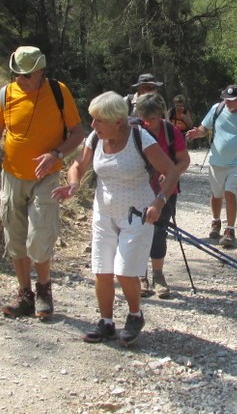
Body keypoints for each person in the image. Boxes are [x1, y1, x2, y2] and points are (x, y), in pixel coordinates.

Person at [53, 92, 182, 346]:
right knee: (102, 270)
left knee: (125, 272)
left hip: (138, 214)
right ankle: (106, 322)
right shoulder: (95, 138)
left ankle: (135, 315)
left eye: (98, 120)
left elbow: (171, 171)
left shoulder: (140, 139)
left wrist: (159, 202)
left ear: (118, 122)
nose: (92, 126)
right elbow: (78, 165)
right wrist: (73, 184)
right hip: (104, 213)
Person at [0, 46, 85, 320]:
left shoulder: (59, 92)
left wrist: (56, 154)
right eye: (16, 74)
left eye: (26, 75)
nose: (20, 80)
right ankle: (25, 294)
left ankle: (44, 289)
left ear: (40, 71)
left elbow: (77, 133)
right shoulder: (6, 93)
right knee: (15, 237)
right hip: (12, 175)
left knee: (40, 235)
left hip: (45, 177)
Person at [185, 84, 237, 249]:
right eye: (226, 98)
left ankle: (230, 231)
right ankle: (215, 221)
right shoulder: (217, 108)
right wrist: (196, 133)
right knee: (216, 194)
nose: (227, 102)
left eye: (232, 99)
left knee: (230, 192)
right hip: (217, 162)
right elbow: (205, 128)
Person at [134, 92, 191, 299]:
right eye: (145, 118)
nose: (149, 123)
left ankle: (158, 274)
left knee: (159, 232)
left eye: (153, 118)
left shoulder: (171, 131)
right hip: (138, 189)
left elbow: (184, 160)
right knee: (138, 231)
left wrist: (169, 174)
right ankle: (141, 275)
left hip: (167, 190)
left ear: (161, 114)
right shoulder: (135, 130)